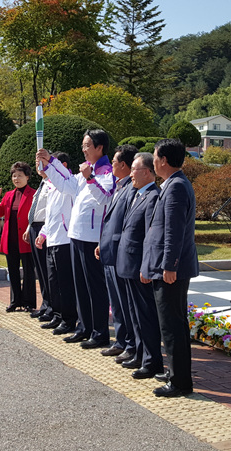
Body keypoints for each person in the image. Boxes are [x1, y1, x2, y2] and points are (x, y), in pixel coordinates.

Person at [36, 129, 115, 349]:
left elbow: (105, 198)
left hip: (92, 239)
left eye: (87, 145)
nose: (83, 149)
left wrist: (90, 177)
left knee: (94, 288)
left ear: (100, 148)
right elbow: (66, 184)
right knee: (80, 286)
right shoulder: (83, 174)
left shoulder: (107, 172)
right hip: (76, 236)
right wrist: (49, 161)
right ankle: (85, 328)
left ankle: (100, 333)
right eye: (83, 145)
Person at [141, 138, 199, 398]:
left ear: (163, 160)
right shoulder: (172, 184)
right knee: (172, 324)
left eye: (154, 156)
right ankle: (175, 372)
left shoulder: (175, 187)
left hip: (171, 269)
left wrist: (169, 265)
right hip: (165, 266)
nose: (153, 161)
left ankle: (180, 382)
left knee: (172, 325)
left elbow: (173, 232)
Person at [116, 153, 163, 379]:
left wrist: (147, 266)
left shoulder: (153, 196)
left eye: (134, 169)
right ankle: (140, 353)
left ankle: (152, 361)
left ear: (147, 172)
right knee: (133, 313)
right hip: (128, 263)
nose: (131, 173)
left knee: (145, 315)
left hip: (139, 266)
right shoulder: (136, 194)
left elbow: (150, 237)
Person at [94, 144, 139, 360]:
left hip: (120, 253)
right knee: (116, 302)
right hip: (109, 251)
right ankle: (121, 341)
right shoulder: (119, 186)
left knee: (124, 302)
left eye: (114, 161)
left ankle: (130, 344)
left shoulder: (131, 188)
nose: (111, 164)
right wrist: (101, 244)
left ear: (123, 164)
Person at [32, 152, 76, 334]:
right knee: (53, 282)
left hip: (65, 240)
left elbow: (67, 186)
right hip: (52, 239)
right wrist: (43, 233)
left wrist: (50, 163)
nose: (42, 168)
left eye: (44, 164)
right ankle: (57, 316)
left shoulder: (70, 183)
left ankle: (69, 320)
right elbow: (51, 216)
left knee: (65, 284)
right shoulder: (50, 186)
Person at [0, 162, 36, 312]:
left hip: (26, 238)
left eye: (20, 175)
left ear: (28, 177)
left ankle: (29, 302)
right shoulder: (9, 195)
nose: (16, 178)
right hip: (10, 239)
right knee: (13, 270)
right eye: (14, 175)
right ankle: (15, 301)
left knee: (29, 272)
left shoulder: (34, 194)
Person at [23, 167, 53, 321]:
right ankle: (45, 305)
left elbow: (49, 211)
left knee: (47, 270)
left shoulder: (52, 184)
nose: (39, 167)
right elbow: (35, 211)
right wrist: (29, 228)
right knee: (40, 271)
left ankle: (51, 307)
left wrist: (43, 231)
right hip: (35, 227)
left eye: (42, 164)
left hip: (44, 228)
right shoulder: (42, 184)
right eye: (37, 164)